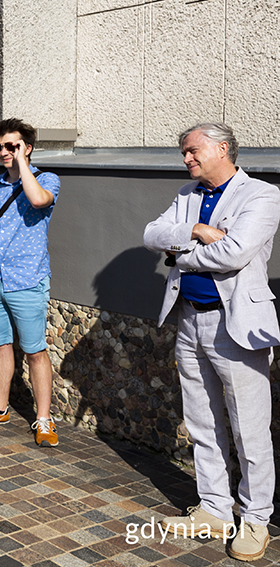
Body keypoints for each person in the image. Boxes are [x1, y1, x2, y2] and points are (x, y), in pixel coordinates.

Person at [143, 122, 279, 562]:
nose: (186, 159)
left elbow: (236, 253)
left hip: (236, 325)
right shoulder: (187, 196)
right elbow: (150, 234)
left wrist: (181, 254)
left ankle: (257, 519)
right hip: (188, 320)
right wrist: (199, 233)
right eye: (184, 153)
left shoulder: (260, 194)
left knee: (249, 429)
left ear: (223, 148)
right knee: (202, 422)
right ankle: (215, 509)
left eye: (192, 151)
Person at [0, 119, 61, 447]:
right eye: (0, 147)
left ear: (27, 148)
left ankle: (44, 419)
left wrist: (22, 165)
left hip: (27, 280)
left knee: (34, 351)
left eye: (12, 146)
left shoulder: (47, 180)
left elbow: (37, 200)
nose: (4, 152)